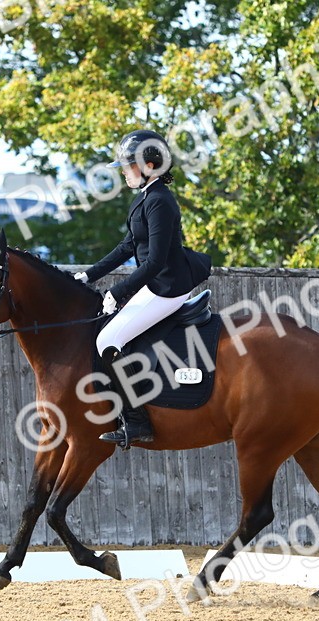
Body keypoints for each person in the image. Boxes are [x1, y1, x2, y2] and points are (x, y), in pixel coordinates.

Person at [76, 129, 199, 448]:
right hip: (157, 283)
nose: (125, 171)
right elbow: (127, 246)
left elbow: (155, 261)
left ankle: (137, 421)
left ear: (149, 164)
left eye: (129, 165)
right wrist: (89, 276)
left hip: (167, 287)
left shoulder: (159, 202)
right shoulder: (144, 198)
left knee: (108, 339)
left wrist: (118, 292)